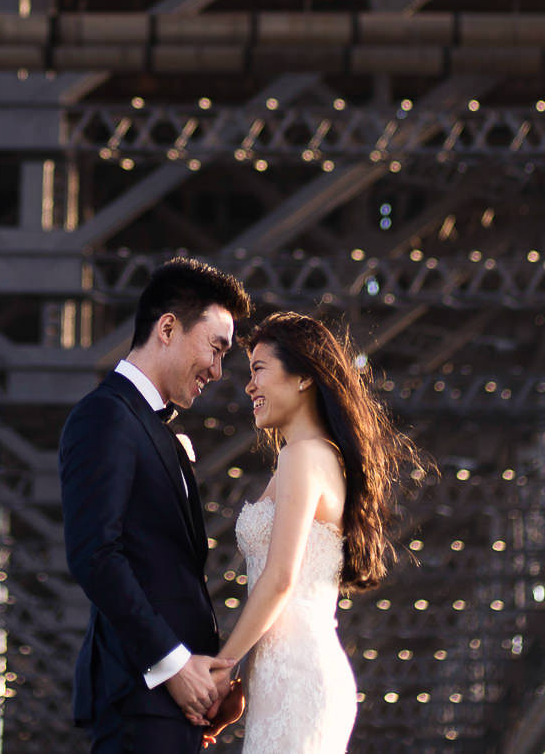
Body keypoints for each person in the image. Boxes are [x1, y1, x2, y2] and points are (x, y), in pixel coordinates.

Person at [208, 311, 427, 754]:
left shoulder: (302, 458)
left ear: (304, 376)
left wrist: (223, 666)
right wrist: (245, 678)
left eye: (258, 369)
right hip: (288, 678)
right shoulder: (313, 459)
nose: (249, 386)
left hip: (297, 679)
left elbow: (281, 579)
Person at [59, 258, 251, 753]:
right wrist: (172, 664)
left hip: (171, 703)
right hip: (141, 698)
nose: (217, 369)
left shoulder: (151, 428)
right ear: (167, 328)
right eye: (215, 347)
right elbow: (94, 555)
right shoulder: (105, 415)